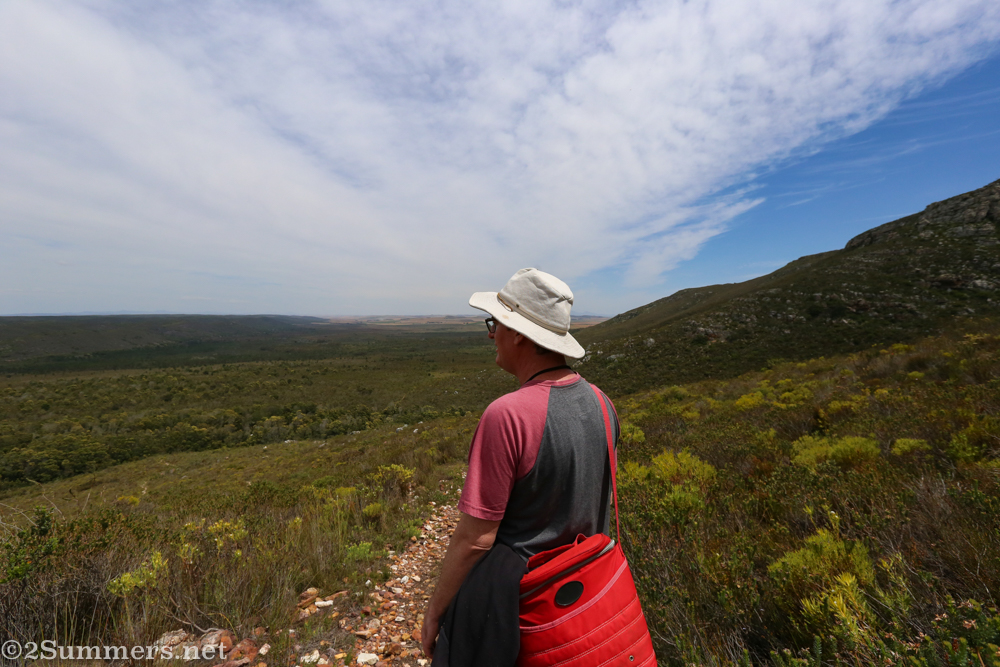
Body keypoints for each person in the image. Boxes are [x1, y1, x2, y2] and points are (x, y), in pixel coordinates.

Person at [420, 268, 619, 666]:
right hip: (577, 607)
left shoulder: (507, 415)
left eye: (494, 324)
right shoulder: (602, 403)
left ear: (517, 333)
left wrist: (434, 613)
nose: (491, 334)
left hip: (516, 613)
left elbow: (476, 541)